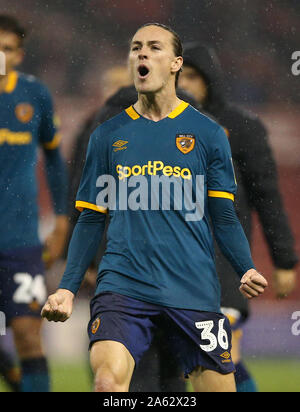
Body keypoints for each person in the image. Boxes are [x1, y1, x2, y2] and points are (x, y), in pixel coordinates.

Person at [42, 23, 268, 393]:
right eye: (136, 47)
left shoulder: (208, 134)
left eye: (154, 47)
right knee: (107, 382)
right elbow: (91, 218)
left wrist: (245, 267)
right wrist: (67, 288)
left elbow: (224, 215)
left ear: (176, 63)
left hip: (192, 289)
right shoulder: (107, 135)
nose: (142, 53)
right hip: (122, 288)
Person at [178, 43, 298, 392]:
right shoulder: (161, 127)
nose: (184, 83)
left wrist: (284, 259)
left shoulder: (241, 127)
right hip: (175, 260)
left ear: (210, 80)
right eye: (179, 75)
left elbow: (268, 196)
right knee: (206, 358)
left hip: (224, 262)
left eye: (192, 76)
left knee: (217, 352)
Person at [67, 81, 201, 392]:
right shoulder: (107, 134)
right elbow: (89, 209)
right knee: (131, 370)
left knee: (169, 372)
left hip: (176, 277)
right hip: (128, 276)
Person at [0, 15, 69, 392]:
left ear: (19, 55)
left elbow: (56, 159)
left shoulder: (34, 95)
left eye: (6, 48)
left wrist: (61, 221)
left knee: (28, 335)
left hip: (20, 241)